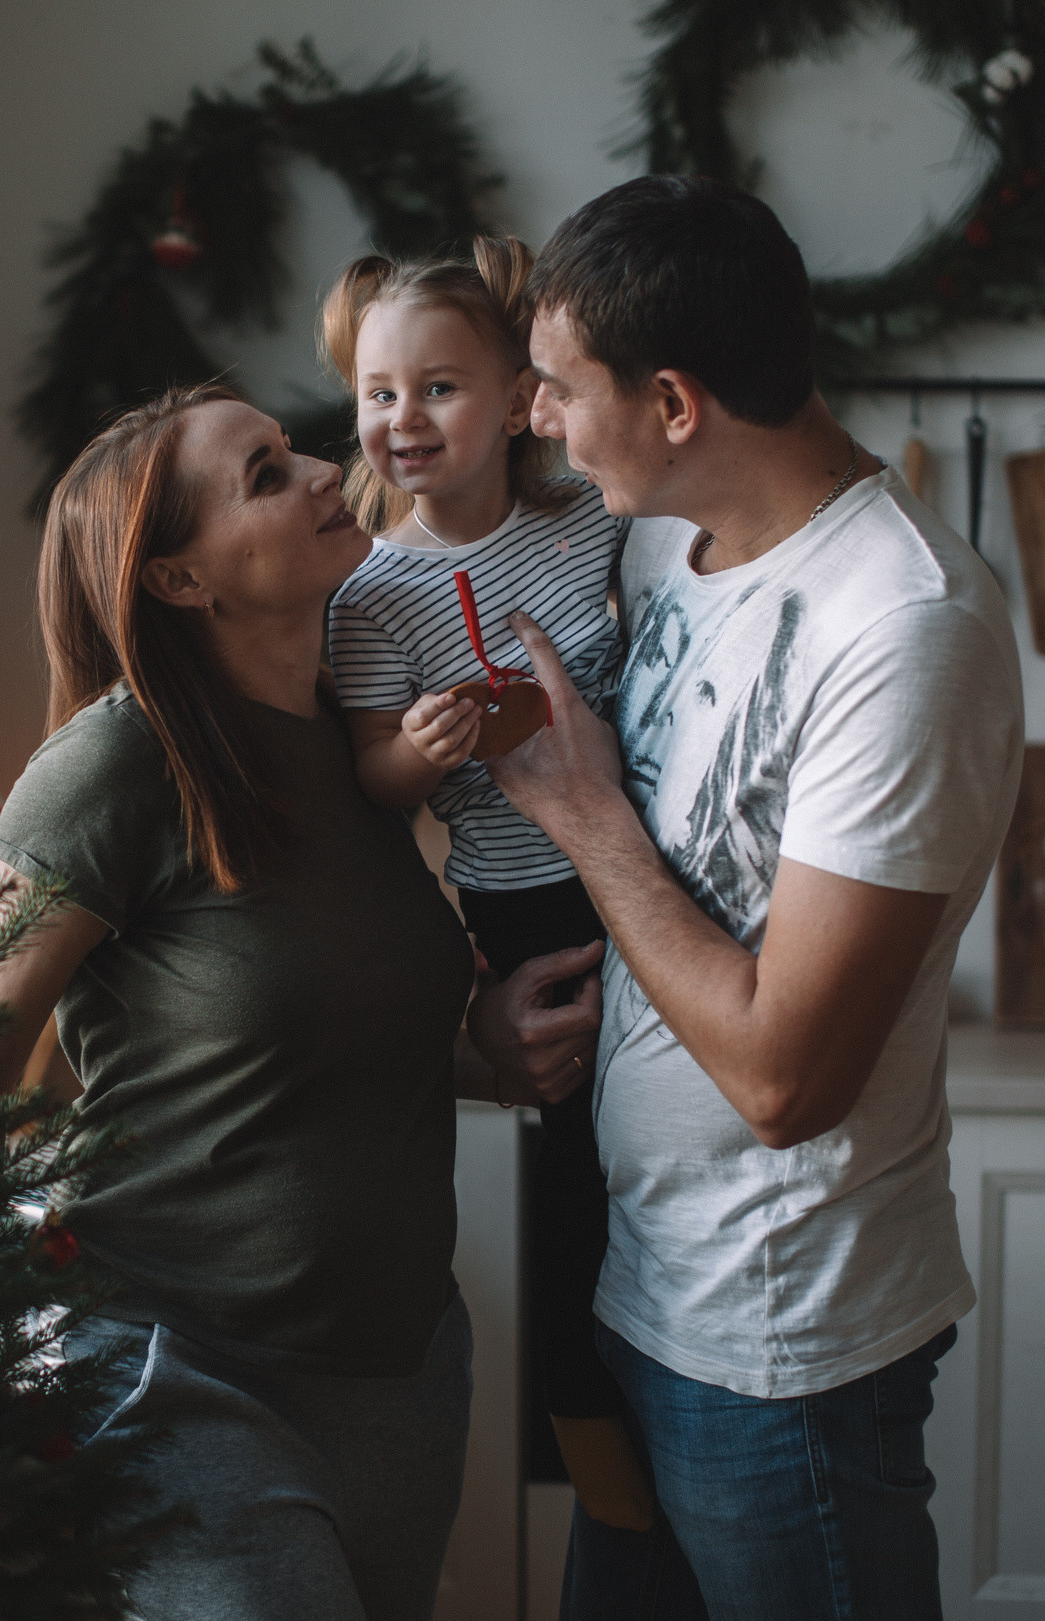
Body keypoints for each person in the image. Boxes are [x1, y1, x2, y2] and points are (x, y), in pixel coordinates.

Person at [0, 383, 603, 1621]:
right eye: (261, 474)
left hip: (405, 1374)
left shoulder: (370, 754)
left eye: (290, 449)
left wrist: (485, 1049)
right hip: (179, 1376)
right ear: (179, 575)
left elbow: (316, 1027)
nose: (318, 472)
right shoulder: (115, 767)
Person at [488, 177, 1028, 1621]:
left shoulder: (905, 626)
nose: (534, 413)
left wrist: (588, 821)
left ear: (672, 401)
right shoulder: (667, 545)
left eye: (560, 384)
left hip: (783, 1344)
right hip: (639, 1286)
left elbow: (789, 1077)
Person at [315, 238, 654, 1539]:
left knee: (661, 1158)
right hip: (527, 907)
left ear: (520, 398)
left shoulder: (585, 528)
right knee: (577, 1169)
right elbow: (373, 777)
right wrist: (422, 747)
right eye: (379, 394)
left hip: (643, 868)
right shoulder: (371, 594)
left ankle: (675, 1403)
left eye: (439, 389)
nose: (403, 420)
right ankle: (587, 1436)